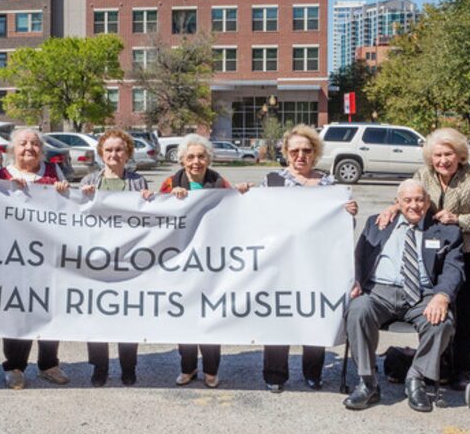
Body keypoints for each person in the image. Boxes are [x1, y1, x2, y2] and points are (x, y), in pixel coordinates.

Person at [376, 128, 470, 388]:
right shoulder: (422, 175)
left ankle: (462, 368)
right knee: (433, 310)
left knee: (464, 313)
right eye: (437, 155)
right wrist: (391, 208)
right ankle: (434, 365)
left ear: (460, 155)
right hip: (431, 253)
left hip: (467, 251)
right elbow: (407, 201)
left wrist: (459, 219)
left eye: (448, 154)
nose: (442, 160)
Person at [343, 180, 464, 412]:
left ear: (428, 203)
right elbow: (358, 258)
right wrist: (355, 280)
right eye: (407, 200)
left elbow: (454, 269)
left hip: (423, 295)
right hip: (380, 292)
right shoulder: (377, 224)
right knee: (357, 310)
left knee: (441, 322)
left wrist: (442, 296)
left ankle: (416, 378)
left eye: (419, 200)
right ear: (397, 203)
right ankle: (367, 382)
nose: (414, 205)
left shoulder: (446, 231)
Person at [261, 125, 359, 393]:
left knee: (314, 314)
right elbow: (256, 221)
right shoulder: (271, 182)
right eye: (295, 150)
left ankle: (313, 372)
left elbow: (342, 232)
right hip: (280, 265)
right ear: (286, 152)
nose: (300, 155)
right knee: (278, 317)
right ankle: (275, 374)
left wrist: (348, 213)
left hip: (318, 265)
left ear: (315, 153)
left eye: (306, 150)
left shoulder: (330, 185)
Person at [0, 127, 72, 389]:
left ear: (42, 150)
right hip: (13, 258)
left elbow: (70, 210)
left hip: (48, 258)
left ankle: (48, 365)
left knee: (49, 310)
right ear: (13, 149)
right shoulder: (1, 176)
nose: (29, 148)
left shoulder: (53, 174)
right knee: (17, 312)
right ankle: (15, 367)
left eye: (34, 144)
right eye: (23, 144)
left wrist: (65, 192)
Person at [159, 134, 248, 388]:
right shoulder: (169, 183)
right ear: (182, 160)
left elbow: (238, 210)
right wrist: (168, 198)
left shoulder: (219, 183)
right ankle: (187, 369)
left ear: (208, 159)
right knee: (185, 317)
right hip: (181, 262)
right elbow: (154, 217)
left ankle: (211, 370)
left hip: (211, 263)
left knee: (209, 318)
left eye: (201, 156)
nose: (196, 162)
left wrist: (241, 193)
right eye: (190, 157)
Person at [79, 128, 152, 387]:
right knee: (97, 315)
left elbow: (148, 217)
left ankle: (128, 368)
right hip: (96, 259)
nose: (114, 154)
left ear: (128, 153)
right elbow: (72, 215)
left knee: (126, 315)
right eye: (108, 150)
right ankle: (99, 368)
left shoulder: (138, 182)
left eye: (119, 150)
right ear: (101, 153)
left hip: (127, 260)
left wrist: (149, 200)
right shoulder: (89, 180)